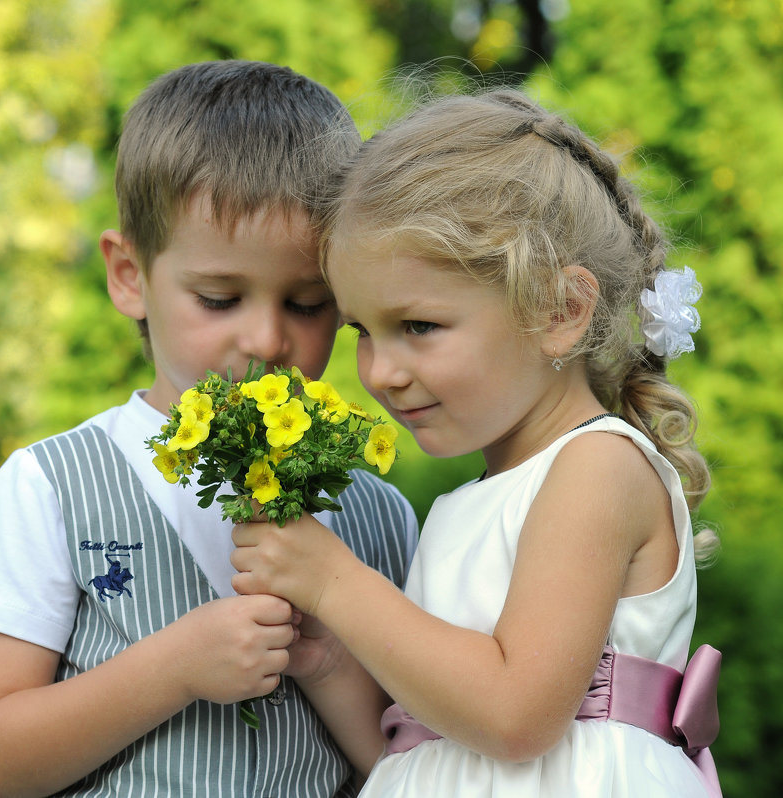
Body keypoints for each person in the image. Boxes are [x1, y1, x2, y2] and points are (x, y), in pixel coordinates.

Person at [0, 60, 419, 798]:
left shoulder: (379, 518)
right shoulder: (54, 488)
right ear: (129, 275)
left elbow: (417, 766)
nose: (265, 338)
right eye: (220, 298)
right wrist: (174, 668)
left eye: (309, 303)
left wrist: (330, 666)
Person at [230, 88, 722, 797]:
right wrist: (332, 660)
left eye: (420, 327)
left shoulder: (596, 468)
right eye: (362, 332)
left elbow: (515, 715)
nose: (382, 372)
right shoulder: (470, 502)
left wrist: (336, 583)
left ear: (560, 311)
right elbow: (417, 750)